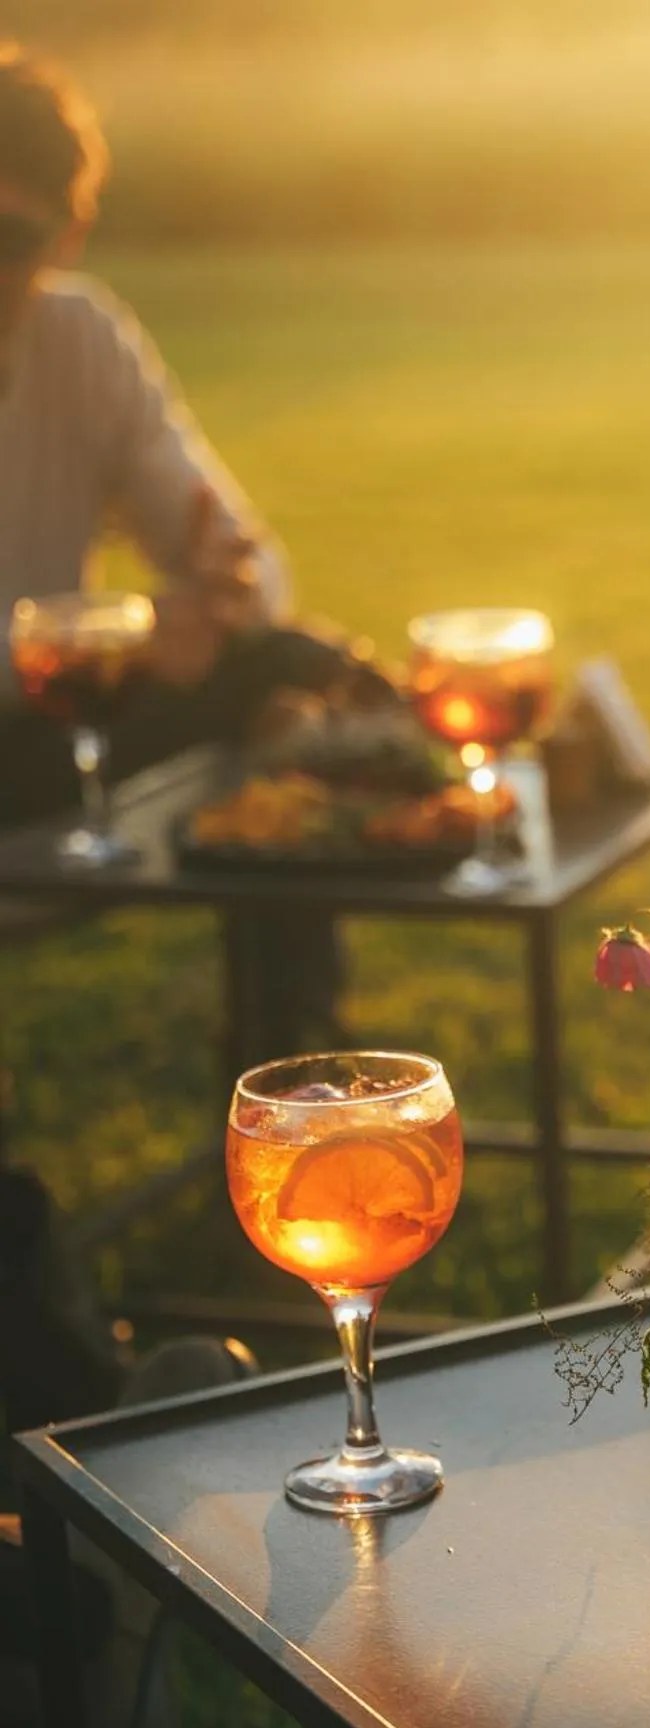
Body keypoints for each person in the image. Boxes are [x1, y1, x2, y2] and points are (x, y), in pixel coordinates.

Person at [0, 42, 359, 1054]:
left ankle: (290, 1061)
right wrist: (128, 642)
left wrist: (221, 592)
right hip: (46, 724)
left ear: (67, 235)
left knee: (278, 672)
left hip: (53, 735)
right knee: (283, 682)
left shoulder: (81, 340)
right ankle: (301, 1065)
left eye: (7, 234)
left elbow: (246, 560)